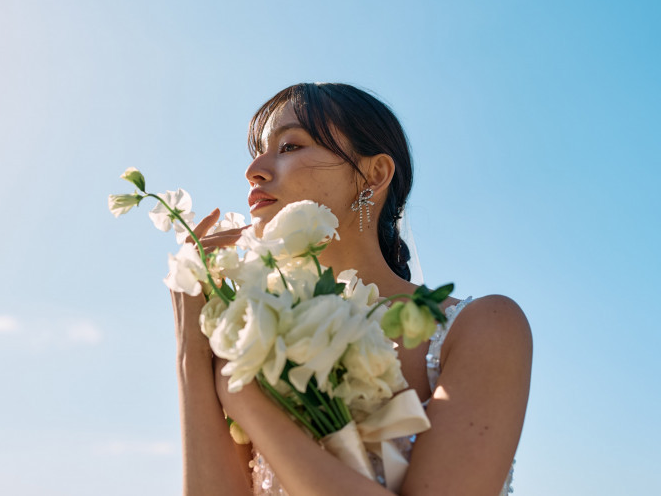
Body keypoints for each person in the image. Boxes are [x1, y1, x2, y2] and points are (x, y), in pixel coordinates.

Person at [170, 83, 532, 496]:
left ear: (373, 175)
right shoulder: (252, 337)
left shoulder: (481, 327)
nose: (255, 169)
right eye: (258, 152)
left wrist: (247, 400)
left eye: (289, 146)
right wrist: (192, 348)